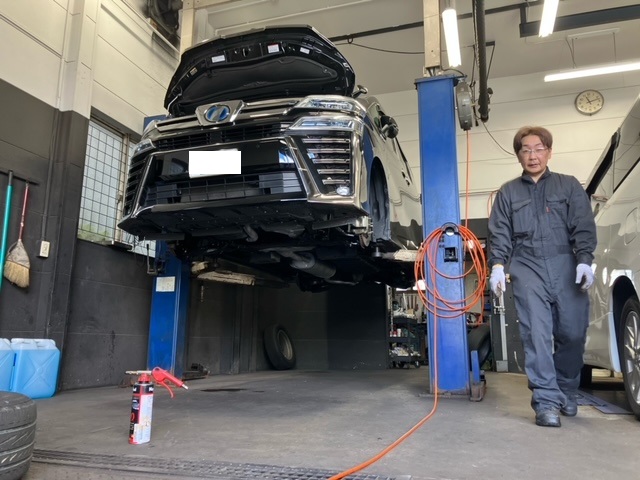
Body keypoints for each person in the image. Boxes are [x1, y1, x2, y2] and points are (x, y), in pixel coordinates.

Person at [488, 126, 597, 428]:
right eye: (526, 150)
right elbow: (499, 233)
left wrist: (584, 260)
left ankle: (566, 389)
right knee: (536, 334)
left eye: (538, 149)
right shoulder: (508, 192)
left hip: (566, 264)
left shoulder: (568, 185)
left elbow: (583, 225)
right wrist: (497, 266)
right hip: (527, 264)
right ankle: (546, 401)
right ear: (518, 155)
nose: (532, 155)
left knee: (573, 333)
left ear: (549, 152)